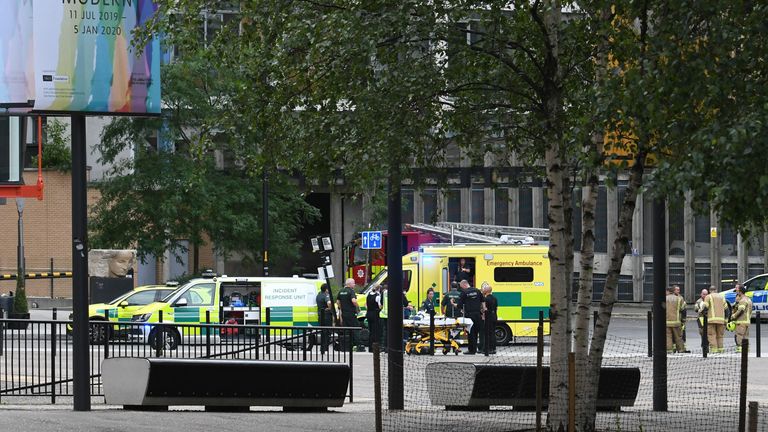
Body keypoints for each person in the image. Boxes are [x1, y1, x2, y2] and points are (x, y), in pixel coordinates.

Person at [457, 279, 484, 355]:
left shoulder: (464, 292)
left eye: (461, 287)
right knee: (476, 332)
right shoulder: (477, 291)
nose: (462, 288)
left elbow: (459, 305)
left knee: (470, 332)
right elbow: (483, 301)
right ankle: (476, 348)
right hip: (478, 314)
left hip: (469, 316)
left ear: (464, 285)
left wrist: (454, 304)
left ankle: (472, 350)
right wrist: (482, 311)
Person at [337, 278, 364, 352]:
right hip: (351, 313)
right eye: (353, 283)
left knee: (346, 330)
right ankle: (359, 346)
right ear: (349, 284)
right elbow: (353, 300)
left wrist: (342, 308)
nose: (354, 284)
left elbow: (338, 301)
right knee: (356, 328)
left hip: (344, 314)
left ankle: (346, 346)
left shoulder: (341, 291)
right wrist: (358, 307)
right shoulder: (351, 291)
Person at [704, 285, 727, 353]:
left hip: (711, 320)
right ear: (716, 290)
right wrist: (726, 319)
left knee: (712, 335)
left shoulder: (708, 296)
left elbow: (705, 307)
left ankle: (714, 349)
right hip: (721, 320)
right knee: (720, 335)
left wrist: (702, 312)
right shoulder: (721, 297)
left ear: (709, 291)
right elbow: (726, 309)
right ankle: (720, 349)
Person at [731, 284, 753, 353]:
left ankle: (740, 349)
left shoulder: (743, 300)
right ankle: (746, 349)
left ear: (740, 291)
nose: (736, 291)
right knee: (745, 337)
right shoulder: (748, 299)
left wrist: (734, 316)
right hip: (747, 321)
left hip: (741, 321)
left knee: (739, 335)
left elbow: (741, 310)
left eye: (737, 289)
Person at [665, 286, 686, 353]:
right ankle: (681, 350)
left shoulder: (664, 298)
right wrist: (683, 320)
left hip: (667, 322)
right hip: (676, 322)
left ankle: (669, 350)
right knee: (678, 337)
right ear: (674, 291)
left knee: (668, 337)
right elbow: (683, 309)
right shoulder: (679, 299)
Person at [481, 282, 498, 355]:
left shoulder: (485, 299)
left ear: (487, 291)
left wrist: (482, 313)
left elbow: (484, 309)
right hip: (494, 316)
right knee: (492, 333)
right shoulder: (495, 298)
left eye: (484, 289)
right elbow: (496, 308)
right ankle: (493, 348)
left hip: (488, 317)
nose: (483, 290)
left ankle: (487, 350)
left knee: (487, 333)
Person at [315, 284, 333, 354]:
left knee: (323, 332)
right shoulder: (326, 295)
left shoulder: (318, 295)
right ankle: (325, 349)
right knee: (328, 332)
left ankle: (322, 349)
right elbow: (329, 303)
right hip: (327, 316)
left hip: (320, 316)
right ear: (326, 289)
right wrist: (330, 308)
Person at [366, 283, 383, 352]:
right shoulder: (377, 296)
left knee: (370, 331)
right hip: (375, 314)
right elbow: (380, 306)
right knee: (375, 331)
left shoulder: (368, 295)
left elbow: (366, 304)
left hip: (368, 313)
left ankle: (370, 347)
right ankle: (375, 348)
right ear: (379, 289)